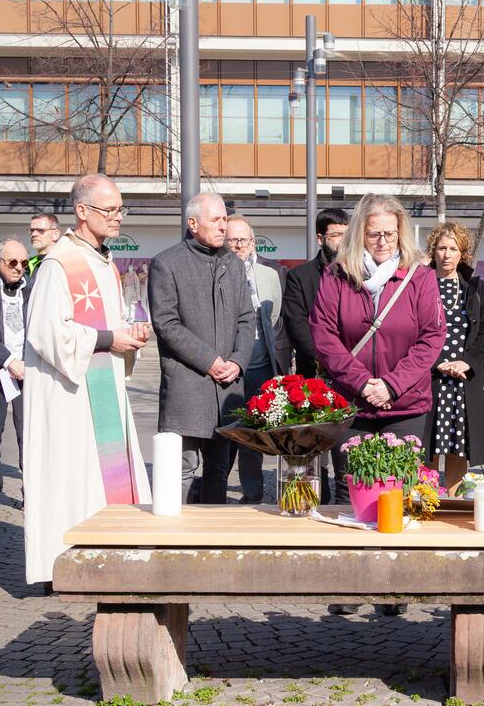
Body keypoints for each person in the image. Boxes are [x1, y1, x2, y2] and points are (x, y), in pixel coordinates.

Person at [310, 193, 445, 615]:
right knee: (354, 497)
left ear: (401, 232)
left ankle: (395, 588)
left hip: (405, 405)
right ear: (358, 235)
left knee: (397, 496)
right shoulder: (337, 276)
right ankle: (350, 586)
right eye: (374, 234)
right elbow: (324, 335)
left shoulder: (419, 277)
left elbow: (431, 339)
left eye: (390, 233)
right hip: (353, 404)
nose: (383, 241)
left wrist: (390, 384)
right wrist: (361, 381)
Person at [22, 174, 150, 586]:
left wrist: (128, 335)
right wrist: (111, 338)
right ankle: (63, 563)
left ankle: (104, 555)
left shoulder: (102, 260)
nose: (117, 217)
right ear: (81, 212)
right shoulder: (60, 264)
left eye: (119, 209)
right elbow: (46, 334)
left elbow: (105, 325)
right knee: (73, 476)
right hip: (69, 395)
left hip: (100, 388)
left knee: (98, 478)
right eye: (109, 210)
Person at [149, 192, 254, 505]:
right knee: (181, 469)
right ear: (192, 223)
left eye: (224, 219)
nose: (223, 226)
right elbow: (166, 324)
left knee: (219, 470)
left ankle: (214, 540)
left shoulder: (233, 265)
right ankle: (169, 541)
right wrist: (209, 361)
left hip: (226, 389)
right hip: (188, 387)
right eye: (216, 219)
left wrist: (237, 362)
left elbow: (247, 320)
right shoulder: (166, 264)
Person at [282, 207, 349, 503]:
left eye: (348, 235)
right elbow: (297, 325)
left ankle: (347, 504)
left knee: (346, 458)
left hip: (351, 379)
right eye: (337, 235)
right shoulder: (300, 277)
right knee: (312, 458)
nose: (343, 242)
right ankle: (312, 507)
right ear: (321, 238)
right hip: (313, 378)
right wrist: (327, 360)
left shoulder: (359, 273)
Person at [425, 222, 484, 494]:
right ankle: (426, 500)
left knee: (458, 445)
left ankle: (454, 502)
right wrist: (436, 362)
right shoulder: (420, 283)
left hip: (462, 378)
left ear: (462, 253)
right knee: (428, 446)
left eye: (453, 248)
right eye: (441, 248)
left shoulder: (475, 287)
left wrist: (468, 360)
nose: (446, 254)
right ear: (433, 251)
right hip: (430, 376)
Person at [224, 213, 281, 504]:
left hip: (259, 368)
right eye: (231, 240)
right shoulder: (217, 272)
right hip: (227, 367)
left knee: (254, 437)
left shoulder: (269, 276)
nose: (237, 246)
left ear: (252, 242)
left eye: (242, 240)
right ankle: (215, 492)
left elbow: (273, 318)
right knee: (224, 434)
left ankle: (253, 493)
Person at [0, 237, 31, 509]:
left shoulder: (32, 290)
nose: (19, 268)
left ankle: (31, 492)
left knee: (28, 434)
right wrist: (8, 361)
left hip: (28, 374)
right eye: (13, 262)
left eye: (24, 262)